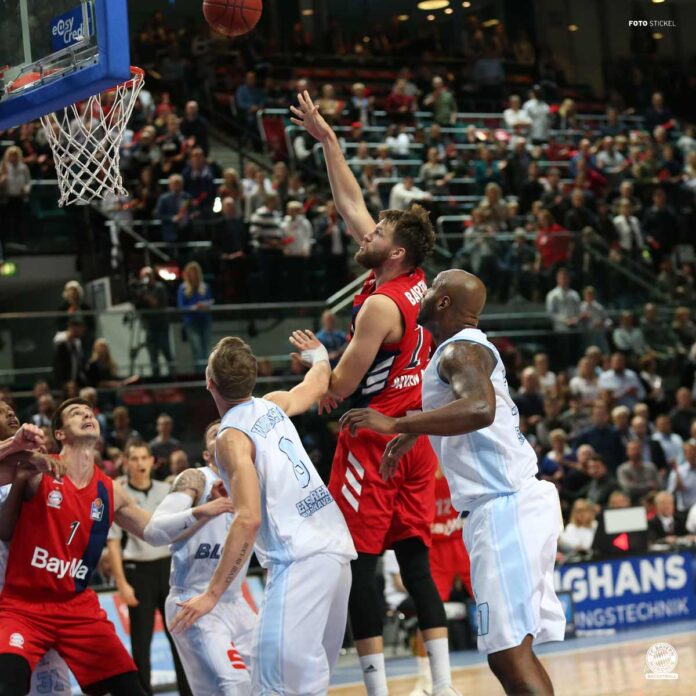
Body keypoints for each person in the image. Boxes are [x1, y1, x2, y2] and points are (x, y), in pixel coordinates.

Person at [291, 90, 459, 696]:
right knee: (415, 562)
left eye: (378, 233)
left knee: (359, 562)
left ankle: (377, 690)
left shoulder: (379, 308)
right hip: (415, 442)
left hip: (374, 437)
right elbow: (351, 203)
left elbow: (337, 390)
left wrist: (317, 359)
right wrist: (329, 142)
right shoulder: (412, 279)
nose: (366, 234)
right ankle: (443, 685)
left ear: (395, 250)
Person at [341, 269, 565, 696]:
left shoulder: (459, 351)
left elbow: (480, 408)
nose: (423, 293)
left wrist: (396, 423)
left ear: (443, 302)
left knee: (507, 653)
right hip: (511, 505)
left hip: (506, 508)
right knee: (512, 649)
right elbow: (468, 408)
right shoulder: (460, 350)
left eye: (432, 288)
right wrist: (416, 431)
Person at [169, 332, 356, 696]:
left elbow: (248, 519)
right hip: (335, 554)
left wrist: (212, 594)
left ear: (209, 382)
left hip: (298, 560)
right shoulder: (272, 405)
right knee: (307, 685)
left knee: (273, 687)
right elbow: (316, 383)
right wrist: (319, 354)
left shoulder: (229, 437)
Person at [0, 397, 200, 696]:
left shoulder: (109, 489)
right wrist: (21, 453)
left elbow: (156, 532)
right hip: (24, 606)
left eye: (88, 412)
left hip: (77, 608)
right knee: (9, 683)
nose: (86, 415)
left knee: (131, 689)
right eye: (75, 413)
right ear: (59, 433)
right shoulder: (36, 466)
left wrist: (200, 511)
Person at [144, 420, 258, 694]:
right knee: (236, 683)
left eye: (230, 430)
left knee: (269, 678)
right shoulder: (196, 478)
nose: (225, 435)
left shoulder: (254, 484)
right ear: (207, 454)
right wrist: (204, 510)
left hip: (236, 600)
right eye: (216, 433)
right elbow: (154, 531)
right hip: (192, 597)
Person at [107, 442, 192, 696]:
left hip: (168, 569)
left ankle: (189, 691)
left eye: (144, 458)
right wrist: (121, 583)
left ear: (152, 461)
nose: (140, 463)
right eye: (135, 459)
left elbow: (184, 530)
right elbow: (113, 543)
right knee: (141, 642)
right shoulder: (119, 494)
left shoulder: (168, 491)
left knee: (179, 637)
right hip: (138, 572)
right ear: (126, 463)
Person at [0, 402, 71, 695]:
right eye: (1, 410)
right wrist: (20, 449)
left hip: (37, 598)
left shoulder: (37, 467)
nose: (10, 412)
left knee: (53, 688)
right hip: (6, 598)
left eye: (10, 408)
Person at [133, 266, 175, 378]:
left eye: (147, 276)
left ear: (152, 276)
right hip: (149, 327)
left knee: (166, 352)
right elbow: (137, 306)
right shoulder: (141, 290)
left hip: (161, 326)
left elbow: (156, 304)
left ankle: (173, 377)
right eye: (142, 277)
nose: (145, 279)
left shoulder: (159, 288)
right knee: (153, 356)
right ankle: (156, 378)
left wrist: (145, 294)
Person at [177, 261, 214, 373]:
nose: (193, 275)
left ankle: (208, 374)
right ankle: (200, 374)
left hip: (205, 320)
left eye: (195, 273)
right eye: (191, 273)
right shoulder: (183, 288)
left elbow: (210, 301)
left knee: (207, 349)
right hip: (191, 322)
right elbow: (181, 306)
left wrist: (204, 305)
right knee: (197, 349)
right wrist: (194, 307)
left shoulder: (204, 287)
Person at [149, 413, 182, 479]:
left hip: (173, 477)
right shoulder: (151, 446)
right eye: (162, 424)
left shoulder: (176, 445)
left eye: (167, 424)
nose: (164, 427)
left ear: (171, 426)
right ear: (157, 427)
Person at [667, 442, 696, 512]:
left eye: (694, 452)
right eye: (689, 453)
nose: (693, 455)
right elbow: (672, 492)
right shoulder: (678, 471)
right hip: (685, 510)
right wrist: (677, 472)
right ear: (685, 455)